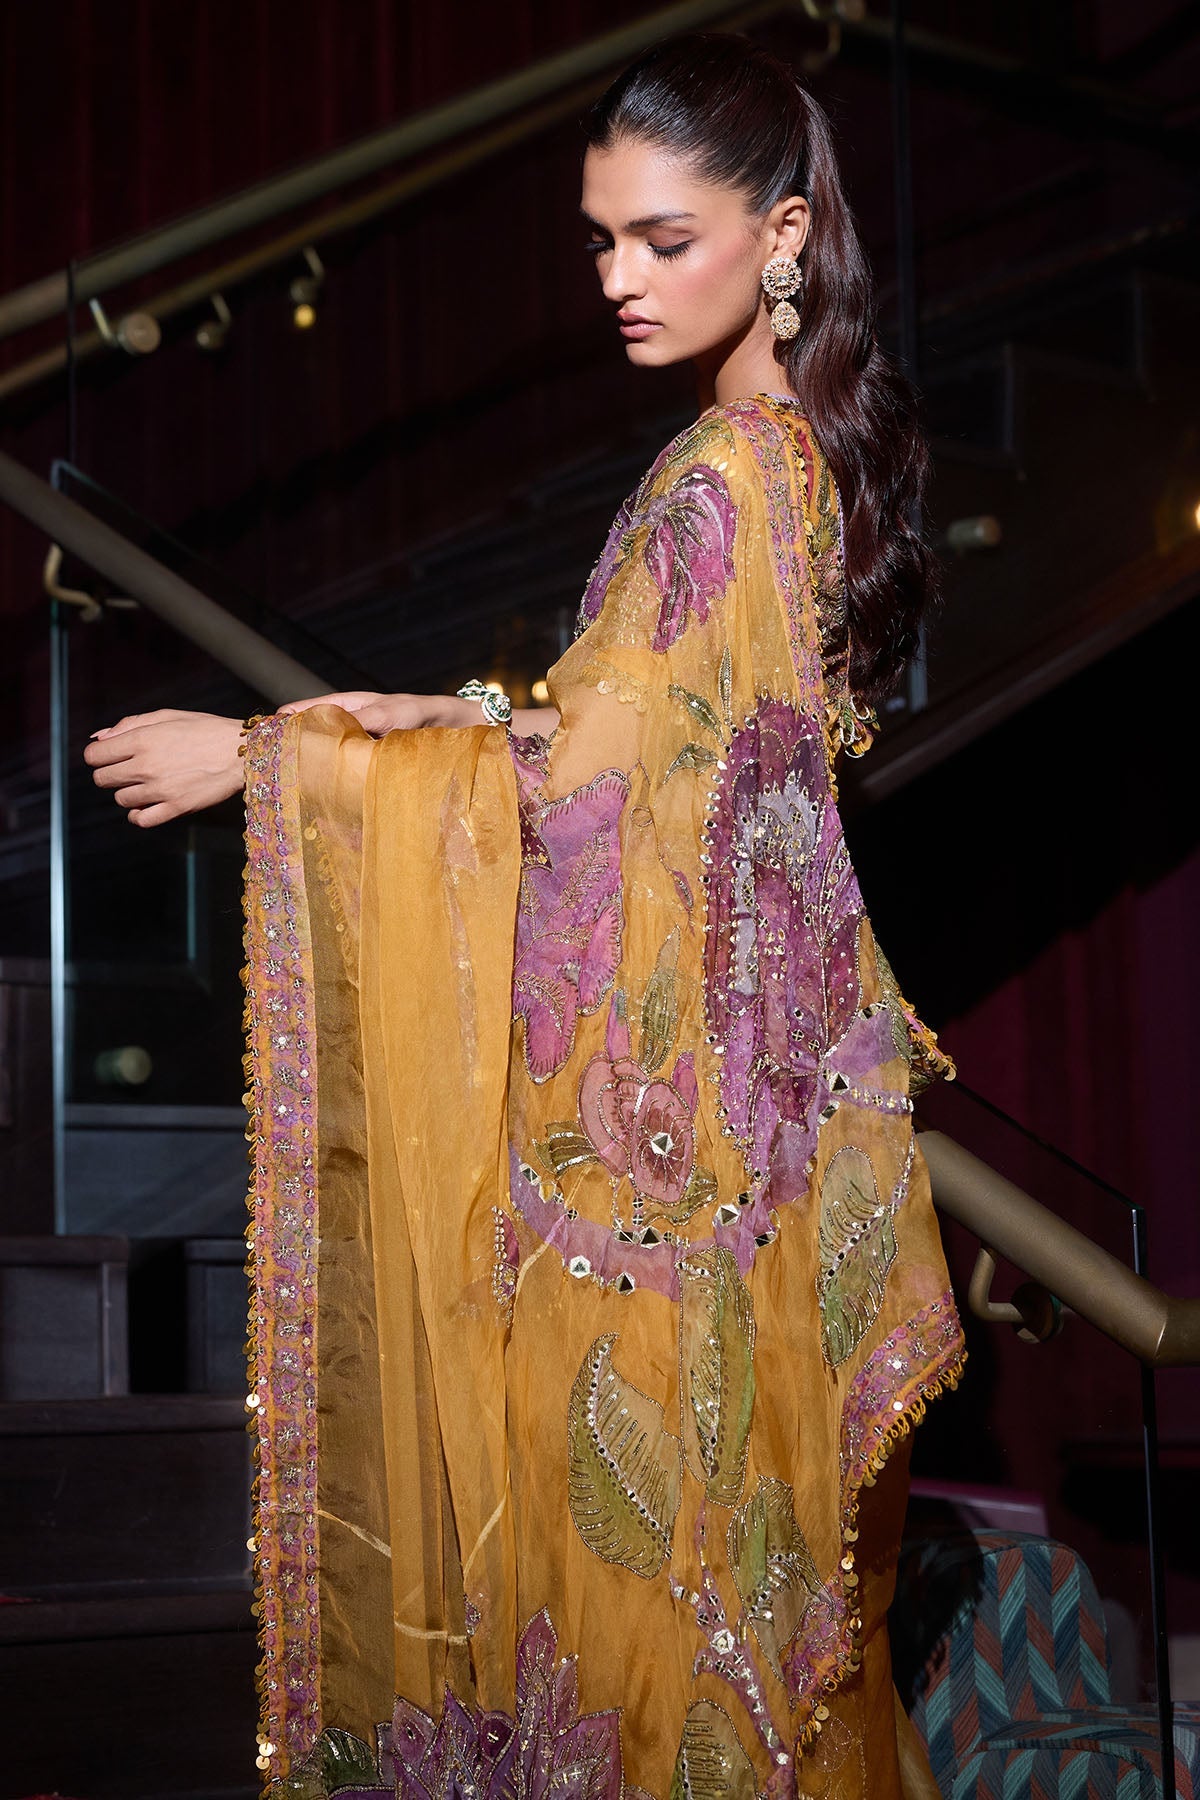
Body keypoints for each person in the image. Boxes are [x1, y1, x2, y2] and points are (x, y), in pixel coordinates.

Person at [86, 34, 964, 1798]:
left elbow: (587, 786)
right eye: (600, 241)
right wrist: (378, 727)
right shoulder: (789, 458)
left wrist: (264, 757)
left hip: (655, 1187)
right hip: (732, 1163)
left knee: (651, 1656)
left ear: (785, 235)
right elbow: (609, 735)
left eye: (664, 239)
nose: (619, 279)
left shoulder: (725, 482)